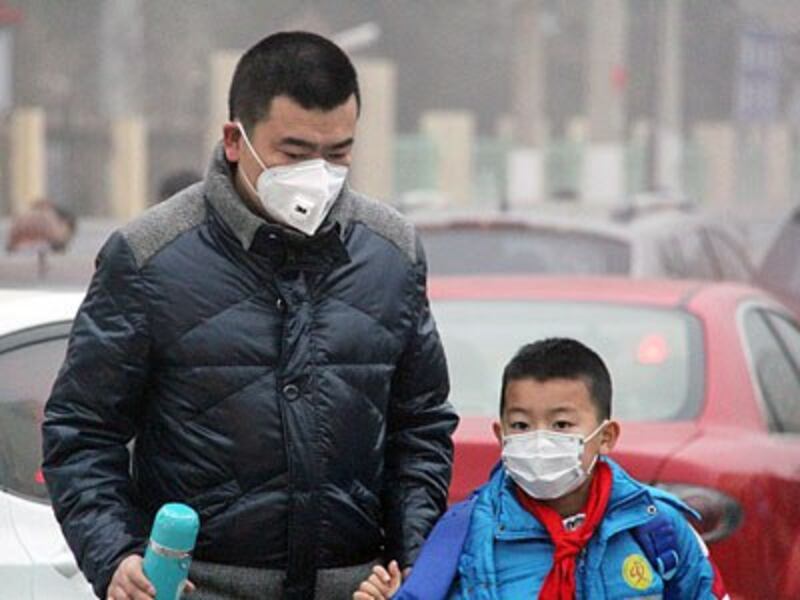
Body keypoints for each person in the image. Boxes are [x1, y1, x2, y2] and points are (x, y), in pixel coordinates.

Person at [42, 31, 457, 600]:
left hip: (355, 588)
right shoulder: (149, 256)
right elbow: (82, 431)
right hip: (197, 586)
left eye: (338, 153)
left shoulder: (391, 253)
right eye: (293, 153)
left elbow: (422, 425)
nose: (319, 173)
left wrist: (415, 557)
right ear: (236, 140)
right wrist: (114, 555)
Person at [354, 338, 728, 599]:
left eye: (562, 425)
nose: (539, 439)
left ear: (606, 436)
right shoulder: (463, 535)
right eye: (521, 425)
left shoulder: (655, 527)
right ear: (500, 435)